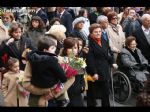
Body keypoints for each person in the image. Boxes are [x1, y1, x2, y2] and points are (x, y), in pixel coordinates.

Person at [23, 34, 75, 107]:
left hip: (55, 96)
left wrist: (52, 93)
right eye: (53, 47)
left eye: (56, 46)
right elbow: (26, 83)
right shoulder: (52, 60)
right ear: (45, 49)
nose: (55, 49)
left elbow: (71, 78)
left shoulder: (33, 58)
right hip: (39, 98)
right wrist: (48, 91)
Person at [86, 23, 117, 107]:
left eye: (99, 31)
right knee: (92, 94)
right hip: (94, 71)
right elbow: (90, 60)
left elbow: (109, 52)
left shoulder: (103, 40)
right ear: (91, 33)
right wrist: (94, 72)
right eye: (96, 32)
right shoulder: (88, 43)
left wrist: (112, 62)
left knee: (105, 93)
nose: (98, 33)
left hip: (104, 70)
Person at [60, 37, 85, 107]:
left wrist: (82, 86)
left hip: (77, 93)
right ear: (65, 49)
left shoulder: (79, 60)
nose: (73, 50)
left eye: (75, 48)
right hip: (65, 93)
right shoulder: (61, 60)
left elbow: (82, 76)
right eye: (70, 48)